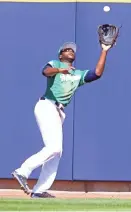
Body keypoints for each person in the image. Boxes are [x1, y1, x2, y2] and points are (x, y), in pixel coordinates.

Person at [12, 41, 112, 198]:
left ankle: (39, 191)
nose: (71, 51)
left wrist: (104, 50)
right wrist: (60, 70)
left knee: (56, 152)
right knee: (55, 148)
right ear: (61, 54)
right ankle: (22, 171)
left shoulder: (77, 74)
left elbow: (97, 73)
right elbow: (45, 72)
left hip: (58, 112)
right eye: (67, 49)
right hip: (47, 105)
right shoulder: (55, 64)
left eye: (72, 50)